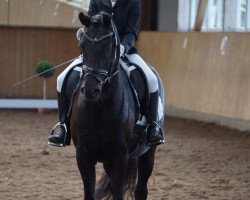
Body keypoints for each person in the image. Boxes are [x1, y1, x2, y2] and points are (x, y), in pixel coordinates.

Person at [48, 0, 164, 147]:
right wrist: (84, 34)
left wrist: (122, 47)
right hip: (98, 53)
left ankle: (153, 126)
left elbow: (132, 31)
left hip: (123, 51)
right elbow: (90, 24)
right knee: (61, 78)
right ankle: (64, 128)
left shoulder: (133, 2)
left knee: (152, 79)